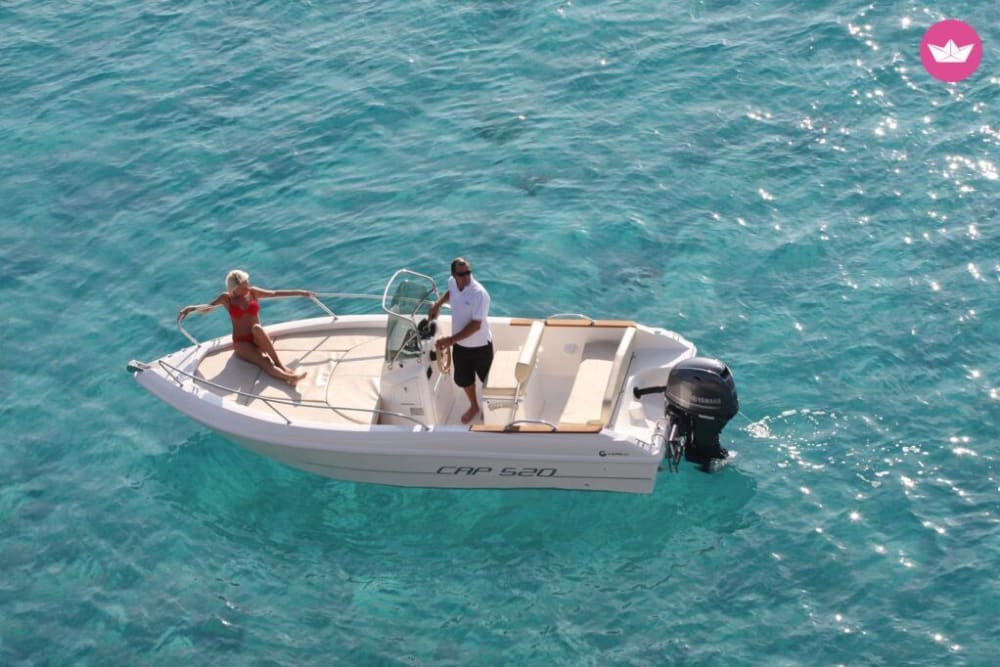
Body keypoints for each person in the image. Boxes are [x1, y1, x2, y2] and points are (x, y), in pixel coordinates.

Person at [178, 269, 314, 387]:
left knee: (257, 328)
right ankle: (291, 378)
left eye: (247, 283)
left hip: (257, 337)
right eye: (243, 286)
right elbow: (208, 308)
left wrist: (300, 292)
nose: (247, 287)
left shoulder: (253, 292)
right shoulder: (226, 298)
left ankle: (281, 365)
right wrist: (191, 309)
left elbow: (275, 293)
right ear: (234, 288)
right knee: (264, 362)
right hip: (241, 342)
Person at [428, 258, 493, 424]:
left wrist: (450, 340)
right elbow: (451, 293)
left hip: (480, 347)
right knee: (464, 379)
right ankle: (474, 406)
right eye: (461, 274)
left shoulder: (479, 294)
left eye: (468, 273)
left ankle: (489, 408)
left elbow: (476, 325)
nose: (466, 277)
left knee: (488, 381)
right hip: (461, 346)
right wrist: (438, 304)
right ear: (453, 274)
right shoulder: (452, 282)